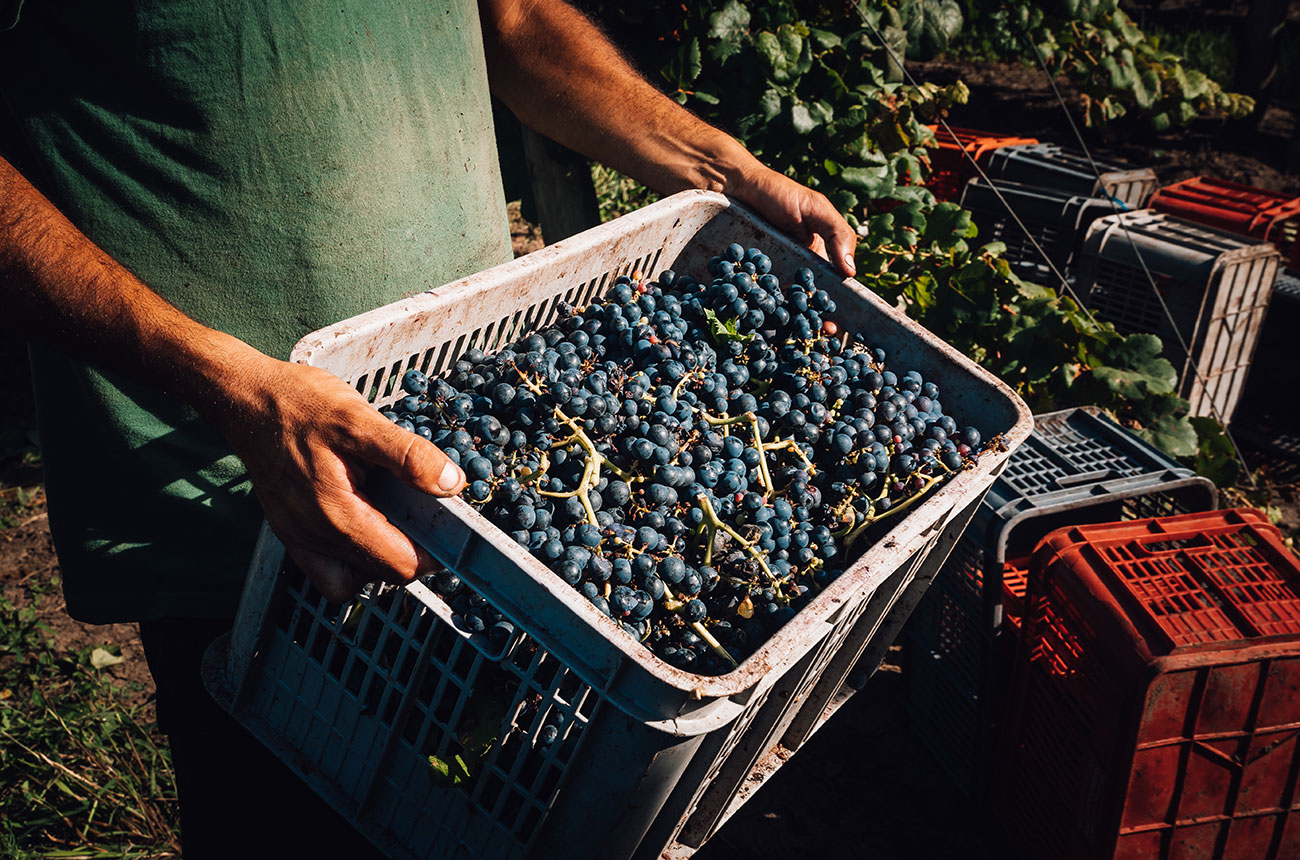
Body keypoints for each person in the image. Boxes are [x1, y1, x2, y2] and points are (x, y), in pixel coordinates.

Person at [0, 1, 856, 856]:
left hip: (480, 428)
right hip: (242, 476)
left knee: (497, 806)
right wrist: (228, 385)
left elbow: (513, 21)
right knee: (291, 809)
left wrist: (723, 168)